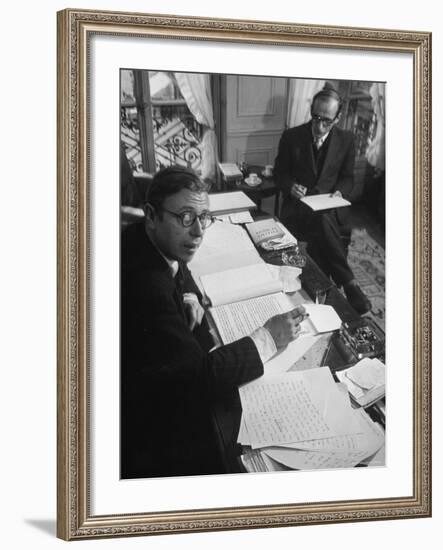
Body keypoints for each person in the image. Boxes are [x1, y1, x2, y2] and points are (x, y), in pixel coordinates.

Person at [121, 165, 306, 479]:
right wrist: (269, 337)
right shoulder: (147, 288)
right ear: (151, 215)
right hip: (147, 430)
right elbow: (199, 379)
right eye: (186, 218)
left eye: (204, 219)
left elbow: (182, 265)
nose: (198, 233)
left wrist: (188, 295)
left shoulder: (143, 238)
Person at [274, 85, 371, 315]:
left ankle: (328, 288)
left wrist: (340, 192)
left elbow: (348, 178)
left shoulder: (346, 140)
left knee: (322, 217)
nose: (318, 126)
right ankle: (348, 282)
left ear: (337, 118)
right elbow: (279, 173)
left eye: (326, 121)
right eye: (315, 117)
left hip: (329, 209)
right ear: (311, 110)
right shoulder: (292, 136)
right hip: (298, 209)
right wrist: (290, 187)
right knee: (322, 221)